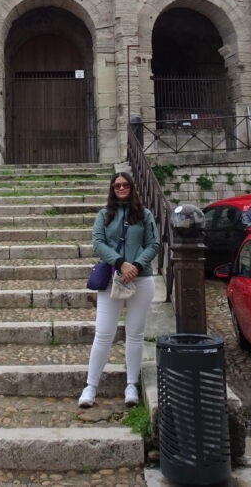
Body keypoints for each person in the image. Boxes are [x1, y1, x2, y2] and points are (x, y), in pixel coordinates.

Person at [78, 171, 159, 409]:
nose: (121, 189)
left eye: (125, 185)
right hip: (113, 277)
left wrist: (136, 265)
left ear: (132, 188)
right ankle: (90, 387)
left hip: (140, 279)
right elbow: (97, 243)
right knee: (103, 333)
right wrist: (120, 262)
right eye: (117, 186)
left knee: (135, 334)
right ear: (112, 190)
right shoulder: (104, 215)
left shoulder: (144, 215)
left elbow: (153, 243)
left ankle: (131, 385)